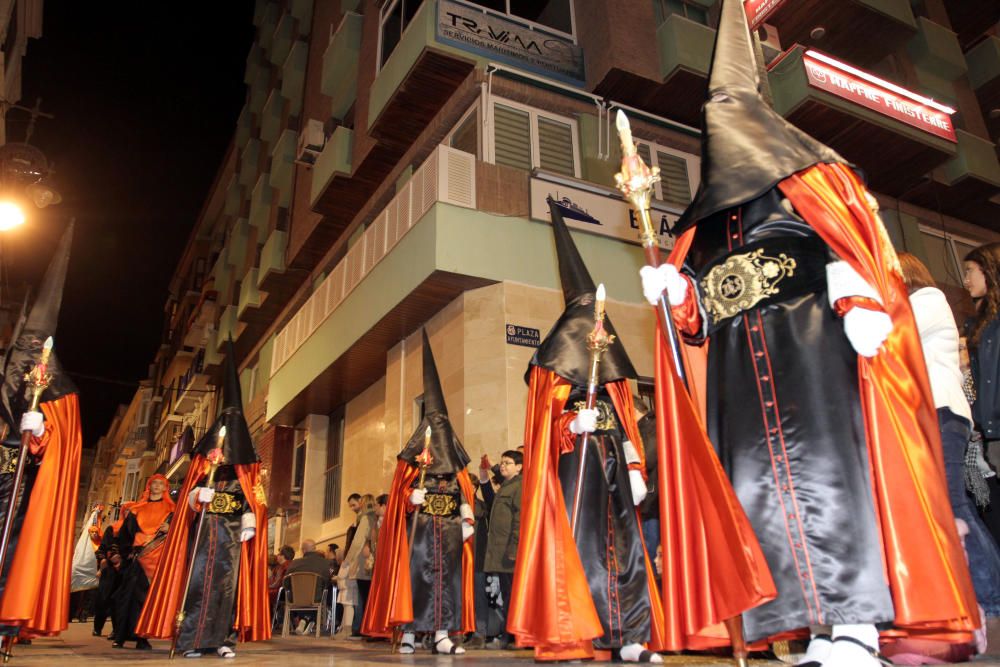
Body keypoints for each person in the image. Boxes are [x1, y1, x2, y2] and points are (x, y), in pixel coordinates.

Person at [638, 2, 977, 665]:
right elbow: (701, 320)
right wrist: (679, 293)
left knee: (833, 486)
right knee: (760, 499)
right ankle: (815, 631)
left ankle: (853, 627)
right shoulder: (701, 231)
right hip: (740, 380)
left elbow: (849, 245)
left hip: (812, 358)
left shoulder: (808, 187)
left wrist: (858, 295)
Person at [510, 202, 666, 664]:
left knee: (627, 550)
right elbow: (541, 429)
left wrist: (636, 466)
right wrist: (567, 424)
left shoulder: (613, 373)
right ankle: (581, 633)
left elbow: (625, 419)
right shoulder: (551, 371)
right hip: (575, 471)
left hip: (615, 467)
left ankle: (632, 636)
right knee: (582, 553)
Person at [136, 340, 270, 658]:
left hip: (234, 535)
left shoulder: (248, 466)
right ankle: (192, 639)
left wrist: (252, 517)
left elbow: (257, 497)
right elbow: (187, 497)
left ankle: (222, 639)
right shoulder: (204, 460)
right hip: (206, 531)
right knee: (199, 583)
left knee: (228, 588)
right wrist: (197, 495)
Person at [363, 329, 476, 655]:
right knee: (415, 581)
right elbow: (399, 495)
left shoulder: (456, 462)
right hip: (420, 532)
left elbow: (463, 492)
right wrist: (408, 499)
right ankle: (410, 631)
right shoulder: (412, 462)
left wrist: (466, 513)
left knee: (447, 583)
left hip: (450, 532)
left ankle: (442, 633)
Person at [901, 252, 1000, 619]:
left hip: (942, 412)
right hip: (925, 415)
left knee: (952, 505)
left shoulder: (927, 299)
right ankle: (984, 598)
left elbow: (896, 334)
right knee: (947, 506)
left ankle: (992, 600)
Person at [0, 225, 83, 652]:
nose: (28, 355)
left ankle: (6, 619)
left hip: (21, 488)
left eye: (37, 347)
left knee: (13, 546)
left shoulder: (57, 391)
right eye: (23, 347)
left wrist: (42, 433)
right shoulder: (7, 382)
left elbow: (61, 446)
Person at [112, 474, 174, 650]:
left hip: (156, 559)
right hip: (135, 559)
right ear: (149, 486)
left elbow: (178, 536)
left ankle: (142, 637)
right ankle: (120, 636)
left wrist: (171, 529)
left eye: (160, 484)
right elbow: (125, 534)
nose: (156, 486)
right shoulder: (136, 509)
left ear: (165, 488)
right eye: (153, 483)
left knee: (145, 599)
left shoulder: (172, 511)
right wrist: (126, 553)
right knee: (125, 597)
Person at [483, 450, 521, 649]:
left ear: (519, 467)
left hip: (510, 552)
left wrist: (514, 547)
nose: (503, 465)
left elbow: (519, 519)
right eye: (502, 462)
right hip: (501, 551)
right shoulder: (507, 486)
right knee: (507, 595)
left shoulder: (519, 486)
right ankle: (509, 634)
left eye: (508, 462)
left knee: (513, 595)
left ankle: (514, 635)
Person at [341, 494, 376, 638]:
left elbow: (357, 541)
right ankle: (364, 626)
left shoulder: (366, 518)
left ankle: (360, 627)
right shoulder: (375, 517)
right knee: (366, 595)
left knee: (361, 596)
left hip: (362, 561)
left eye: (357, 503)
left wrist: (347, 560)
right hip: (371, 559)